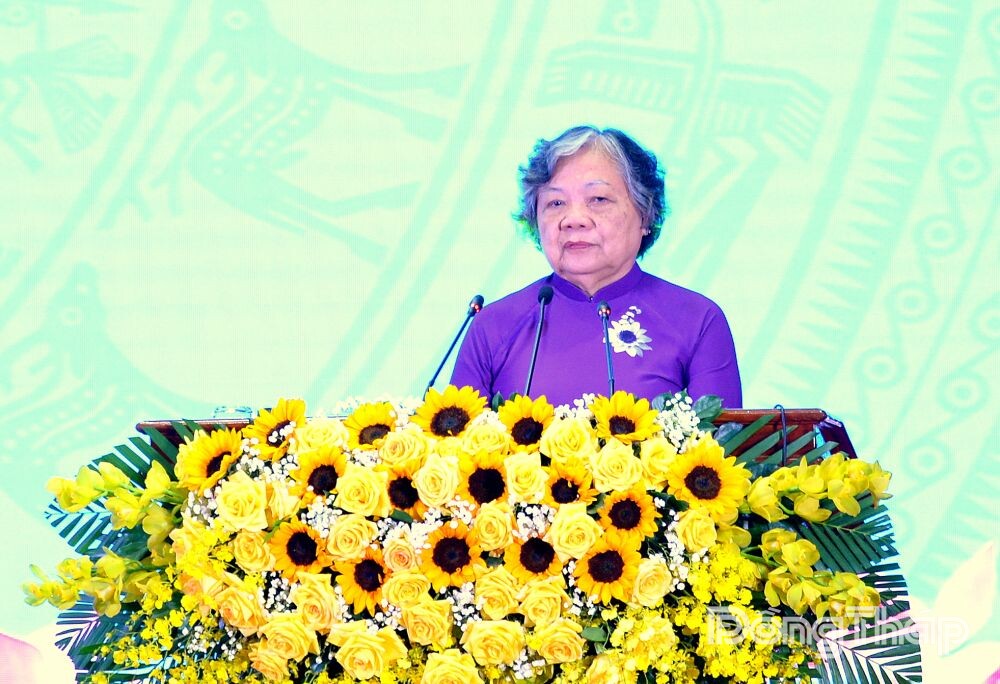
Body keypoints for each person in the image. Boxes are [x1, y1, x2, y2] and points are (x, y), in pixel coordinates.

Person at [450, 125, 742, 408]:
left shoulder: (697, 321)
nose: (573, 219)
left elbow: (722, 440)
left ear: (645, 215)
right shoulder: (493, 326)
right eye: (555, 203)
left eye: (598, 199)